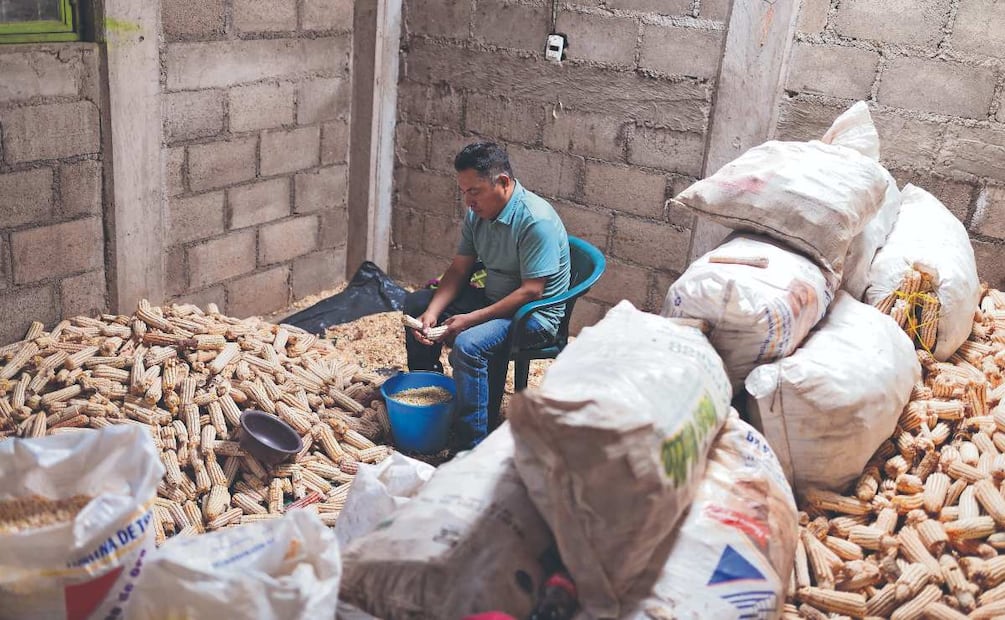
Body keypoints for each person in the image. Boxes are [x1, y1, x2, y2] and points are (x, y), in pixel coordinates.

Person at [403, 142, 570, 451]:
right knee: (417, 304)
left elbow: (532, 291)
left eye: (475, 191)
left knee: (469, 345)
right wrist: (433, 311)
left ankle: (471, 445)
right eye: (464, 191)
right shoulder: (478, 214)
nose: (468, 201)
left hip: (532, 316)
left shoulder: (535, 221)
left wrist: (468, 320)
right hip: (494, 300)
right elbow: (459, 268)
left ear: (503, 183)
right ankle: (430, 396)